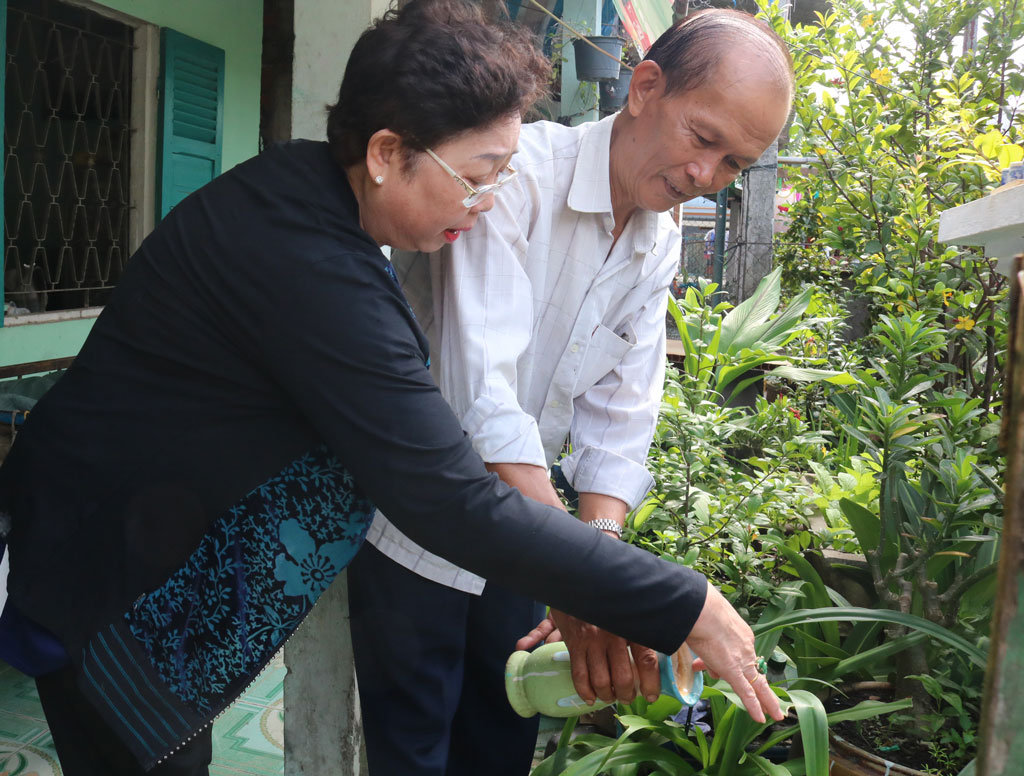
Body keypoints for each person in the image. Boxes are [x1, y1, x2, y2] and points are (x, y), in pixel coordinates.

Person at [0, 2, 781, 775]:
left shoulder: (320, 210)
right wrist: (685, 602)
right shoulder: (310, 261)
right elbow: (450, 493)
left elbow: (605, 416)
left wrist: (603, 567)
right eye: (479, 176)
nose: (486, 204)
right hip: (112, 586)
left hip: (174, 580)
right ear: (385, 152)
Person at [348, 9, 794, 776]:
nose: (705, 175)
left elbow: (621, 417)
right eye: (702, 138)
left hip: (526, 542)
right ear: (646, 86)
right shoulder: (514, 173)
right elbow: (482, 401)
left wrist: (595, 555)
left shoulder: (656, 241)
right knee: (413, 746)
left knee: (504, 734)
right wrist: (584, 580)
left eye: (732, 165)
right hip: (418, 532)